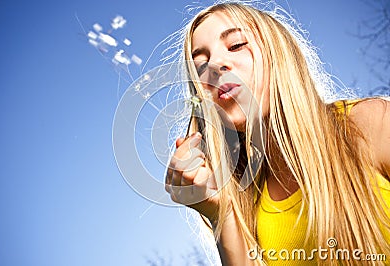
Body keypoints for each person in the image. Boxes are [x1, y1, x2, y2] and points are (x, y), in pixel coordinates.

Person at [164, 2, 390, 265]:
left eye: (236, 45)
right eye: (201, 67)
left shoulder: (368, 125)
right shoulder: (249, 203)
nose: (214, 65)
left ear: (278, 54)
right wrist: (220, 213)